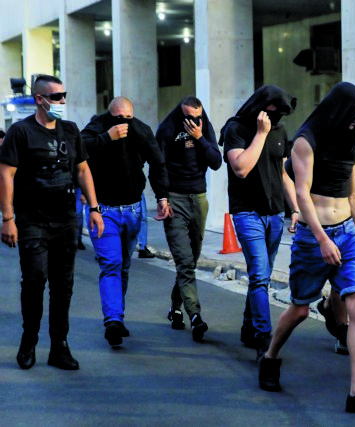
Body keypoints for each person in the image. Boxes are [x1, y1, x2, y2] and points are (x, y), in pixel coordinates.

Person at [258, 82, 355, 416]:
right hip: (312, 235)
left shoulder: (354, 137)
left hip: (347, 232)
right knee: (300, 310)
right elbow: (302, 194)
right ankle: (270, 357)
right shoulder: (307, 140)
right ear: (337, 111)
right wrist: (322, 239)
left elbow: (352, 192)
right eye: (352, 115)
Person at [0, 74, 104, 370]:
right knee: (34, 281)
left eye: (64, 96)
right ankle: (28, 341)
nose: (62, 101)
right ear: (40, 99)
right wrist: (8, 218)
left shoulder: (70, 130)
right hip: (32, 221)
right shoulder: (21, 132)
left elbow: (82, 170)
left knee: (63, 286)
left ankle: (59, 347)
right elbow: (5, 174)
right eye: (57, 97)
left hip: (66, 221)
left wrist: (94, 208)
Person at [81, 96, 172, 347]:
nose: (123, 123)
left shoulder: (141, 130)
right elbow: (79, 149)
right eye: (118, 118)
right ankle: (112, 320)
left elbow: (157, 163)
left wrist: (162, 196)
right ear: (109, 115)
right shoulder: (97, 127)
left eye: (128, 118)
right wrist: (107, 137)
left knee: (123, 265)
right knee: (111, 264)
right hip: (103, 211)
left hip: (132, 210)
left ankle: (117, 316)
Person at [219, 85, 298, 358]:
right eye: (271, 113)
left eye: (279, 115)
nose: (275, 119)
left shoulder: (281, 131)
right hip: (247, 213)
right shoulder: (237, 128)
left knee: (259, 276)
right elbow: (240, 168)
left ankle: (248, 327)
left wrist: (295, 209)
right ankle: (264, 338)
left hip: (275, 214)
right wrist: (261, 134)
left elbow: (283, 174)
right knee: (260, 276)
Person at [156, 95, 222, 341]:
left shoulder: (203, 125)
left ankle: (175, 307)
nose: (194, 121)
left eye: (197, 117)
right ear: (180, 113)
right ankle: (195, 316)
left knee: (191, 259)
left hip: (199, 199)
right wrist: (162, 198)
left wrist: (200, 137)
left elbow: (216, 162)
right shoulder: (167, 128)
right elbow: (158, 166)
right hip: (175, 200)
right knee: (184, 262)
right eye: (189, 118)